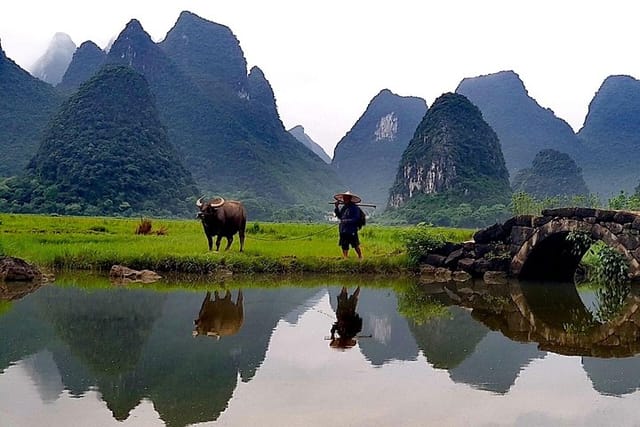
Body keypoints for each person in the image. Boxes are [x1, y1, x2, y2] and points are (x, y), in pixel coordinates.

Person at [334, 191, 364, 259]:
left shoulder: (355, 208)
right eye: (344, 198)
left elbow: (356, 218)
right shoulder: (344, 208)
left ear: (349, 199)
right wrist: (336, 207)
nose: (344, 199)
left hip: (351, 230)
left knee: (355, 244)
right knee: (344, 244)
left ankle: (360, 257)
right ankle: (345, 257)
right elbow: (340, 216)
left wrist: (346, 221)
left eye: (346, 198)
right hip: (343, 229)